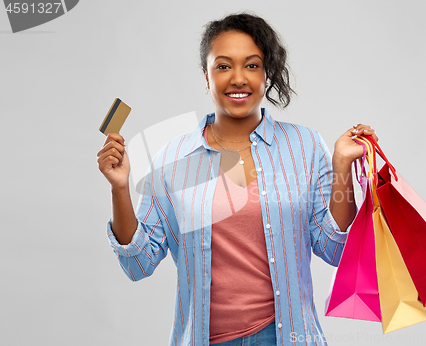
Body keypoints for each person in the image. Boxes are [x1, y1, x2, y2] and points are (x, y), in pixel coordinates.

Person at [97, 13, 378, 346]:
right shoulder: (172, 158)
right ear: (206, 75)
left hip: (287, 337)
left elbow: (334, 249)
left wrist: (342, 164)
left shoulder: (304, 146)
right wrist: (120, 188)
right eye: (223, 66)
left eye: (252, 65)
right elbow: (138, 263)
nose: (238, 78)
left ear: (267, 73)